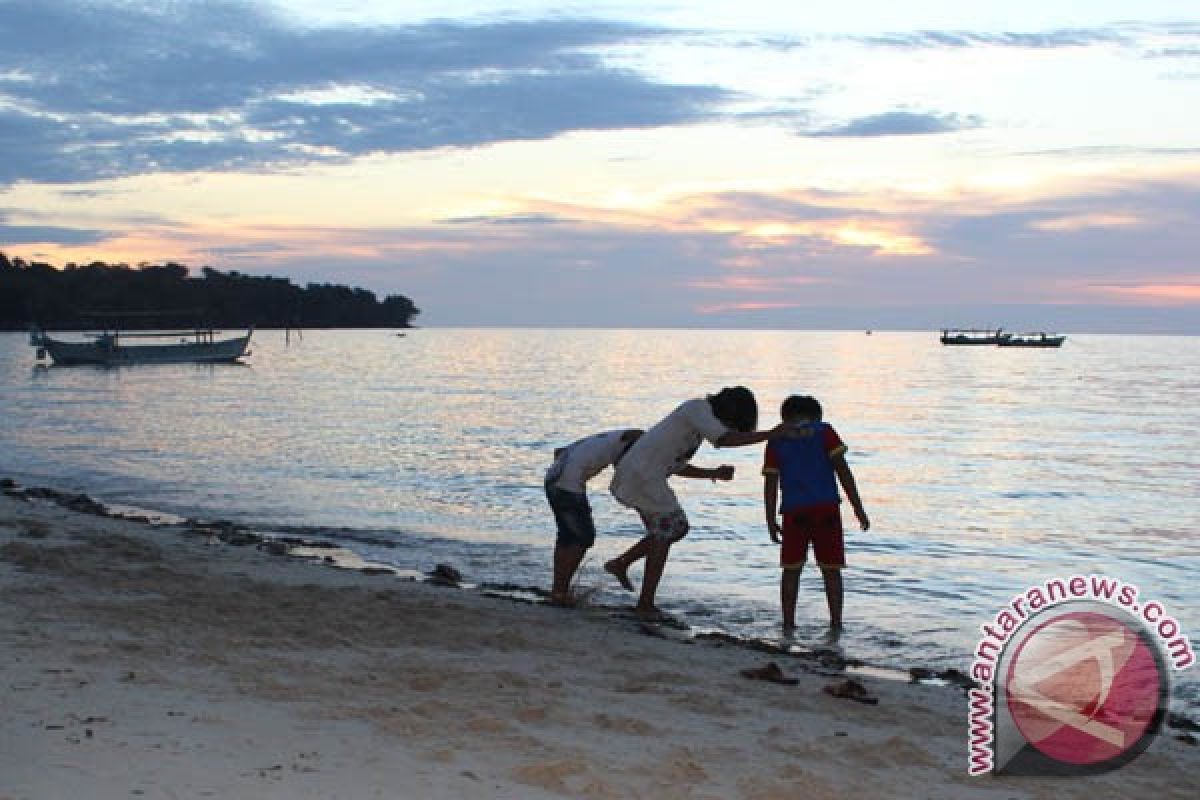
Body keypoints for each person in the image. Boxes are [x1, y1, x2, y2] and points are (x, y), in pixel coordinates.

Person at [604, 387, 792, 616]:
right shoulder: (697, 408)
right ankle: (636, 588)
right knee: (673, 528)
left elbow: (676, 465)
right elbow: (724, 439)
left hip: (643, 475)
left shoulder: (696, 425)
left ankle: (633, 583)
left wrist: (712, 473)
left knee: (663, 535)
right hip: (642, 476)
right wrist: (770, 434)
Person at [762, 395, 869, 633]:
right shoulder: (825, 432)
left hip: (793, 512)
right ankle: (836, 624)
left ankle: (788, 624)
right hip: (826, 510)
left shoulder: (776, 438)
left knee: (791, 571)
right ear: (816, 415)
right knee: (832, 571)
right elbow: (843, 470)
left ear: (785, 416)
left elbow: (771, 482)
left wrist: (770, 519)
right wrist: (858, 507)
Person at [545, 428, 643, 605]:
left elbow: (559, 452)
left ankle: (558, 590)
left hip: (552, 478)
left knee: (567, 537)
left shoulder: (604, 438)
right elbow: (624, 469)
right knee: (583, 538)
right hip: (568, 486)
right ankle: (560, 592)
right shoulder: (629, 442)